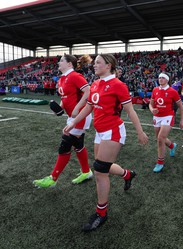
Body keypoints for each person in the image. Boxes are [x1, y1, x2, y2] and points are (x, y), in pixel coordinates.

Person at [63, 54, 149, 232]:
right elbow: (89, 107)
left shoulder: (118, 85)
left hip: (113, 131)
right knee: (102, 166)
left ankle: (101, 213)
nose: (94, 65)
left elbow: (130, 111)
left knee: (100, 171)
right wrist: (72, 123)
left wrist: (140, 132)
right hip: (100, 132)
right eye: (94, 63)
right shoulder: (95, 84)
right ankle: (127, 174)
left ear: (108, 65)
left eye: (98, 63)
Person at [33, 54, 93, 188]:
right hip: (71, 116)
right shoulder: (62, 79)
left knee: (65, 143)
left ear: (69, 64)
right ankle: (86, 172)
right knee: (78, 144)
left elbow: (89, 91)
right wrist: (59, 109)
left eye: (61, 61)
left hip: (81, 116)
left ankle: (52, 179)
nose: (58, 63)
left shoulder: (75, 76)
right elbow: (65, 97)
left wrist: (77, 108)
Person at [149, 72, 183, 172]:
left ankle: (160, 162)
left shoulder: (172, 91)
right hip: (157, 117)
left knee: (160, 139)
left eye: (163, 78)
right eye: (159, 77)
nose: (160, 79)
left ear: (167, 80)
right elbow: (151, 104)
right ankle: (172, 146)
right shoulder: (155, 90)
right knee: (160, 138)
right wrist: (152, 110)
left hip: (168, 116)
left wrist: (182, 120)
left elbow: (180, 106)